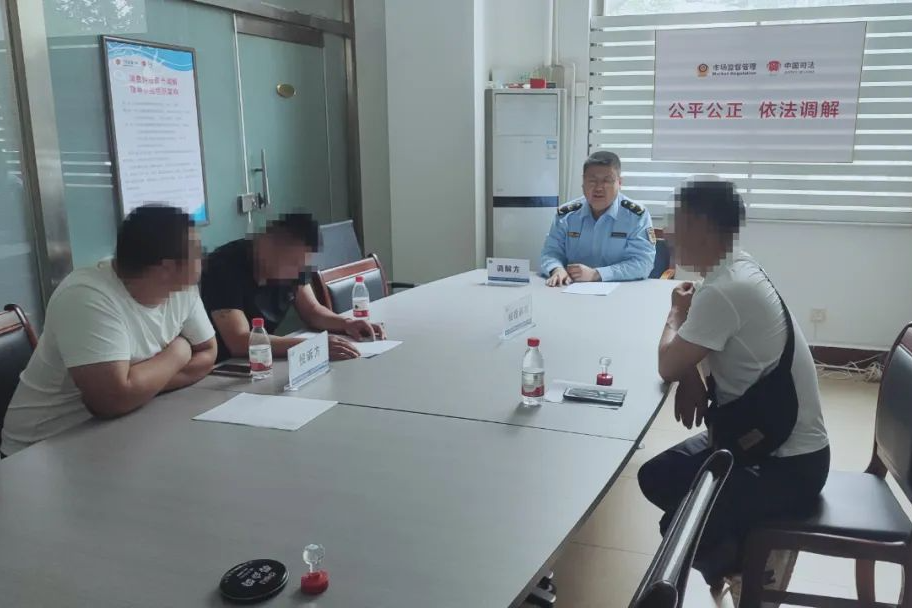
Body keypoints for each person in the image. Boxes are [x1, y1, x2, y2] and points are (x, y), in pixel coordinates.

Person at [637, 180, 829, 603]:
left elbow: (667, 363)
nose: (668, 233)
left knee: (678, 526)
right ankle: (740, 556)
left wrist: (674, 314)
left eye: (676, 222)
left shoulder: (724, 290)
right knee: (656, 477)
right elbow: (691, 357)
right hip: (755, 435)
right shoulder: (735, 268)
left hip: (788, 463)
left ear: (702, 227)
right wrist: (689, 374)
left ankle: (754, 572)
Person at [0, 205, 217, 457]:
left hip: (123, 429)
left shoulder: (181, 287)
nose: (203, 258)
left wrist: (141, 386)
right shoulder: (86, 297)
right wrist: (179, 352)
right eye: (198, 253)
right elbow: (110, 401)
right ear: (167, 268)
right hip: (41, 450)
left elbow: (208, 352)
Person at [200, 213, 385, 363]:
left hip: (264, 360)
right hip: (224, 368)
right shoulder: (223, 266)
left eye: (302, 264)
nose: (298, 272)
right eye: (293, 263)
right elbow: (239, 341)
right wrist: (311, 346)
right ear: (267, 246)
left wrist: (346, 324)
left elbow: (313, 311)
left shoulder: (294, 264)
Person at [540, 151, 656, 286]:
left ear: (619, 183)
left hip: (621, 290)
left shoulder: (636, 216)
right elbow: (550, 253)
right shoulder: (566, 215)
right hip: (570, 289)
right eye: (592, 181)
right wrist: (556, 269)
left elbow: (643, 263)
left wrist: (597, 274)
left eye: (607, 181)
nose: (599, 188)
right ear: (583, 182)